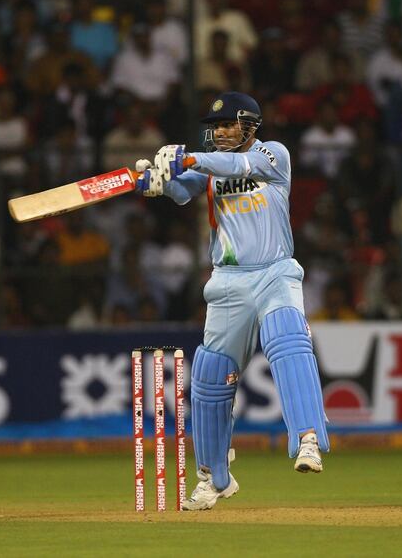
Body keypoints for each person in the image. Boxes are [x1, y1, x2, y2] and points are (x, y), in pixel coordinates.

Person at [134, 92, 330, 511]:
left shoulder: (272, 155)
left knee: (287, 339)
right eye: (216, 126)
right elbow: (183, 190)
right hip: (227, 280)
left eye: (228, 125)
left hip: (275, 271)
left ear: (250, 125)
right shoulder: (207, 165)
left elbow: (235, 166)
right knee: (210, 375)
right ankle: (214, 477)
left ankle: (308, 439)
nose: (220, 132)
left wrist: (187, 158)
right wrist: (155, 182)